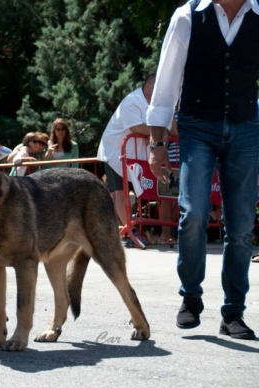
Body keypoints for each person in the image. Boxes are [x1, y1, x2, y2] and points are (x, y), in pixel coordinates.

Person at [146, 0, 259, 340]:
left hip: (246, 125)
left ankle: (233, 312)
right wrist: (157, 143)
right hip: (197, 124)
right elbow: (166, 79)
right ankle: (191, 298)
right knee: (194, 212)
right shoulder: (188, 14)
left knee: (240, 224)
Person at [97, 74, 157, 227]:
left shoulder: (151, 103)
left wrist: (149, 132)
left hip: (131, 155)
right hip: (115, 152)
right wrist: (157, 131)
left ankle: (127, 229)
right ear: (149, 87)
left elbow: (145, 129)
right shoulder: (132, 101)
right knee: (119, 193)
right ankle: (130, 230)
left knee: (127, 195)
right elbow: (137, 127)